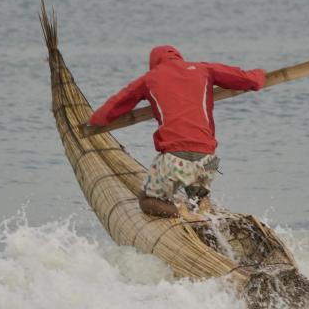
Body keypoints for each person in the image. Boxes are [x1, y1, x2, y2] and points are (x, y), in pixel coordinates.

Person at [88, 45, 266, 221]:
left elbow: (115, 105)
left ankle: (180, 211)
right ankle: (202, 209)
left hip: (174, 158)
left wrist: (95, 120)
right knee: (198, 198)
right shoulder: (203, 69)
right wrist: (260, 73)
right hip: (208, 159)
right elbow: (249, 79)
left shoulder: (149, 78)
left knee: (147, 201)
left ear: (154, 63)